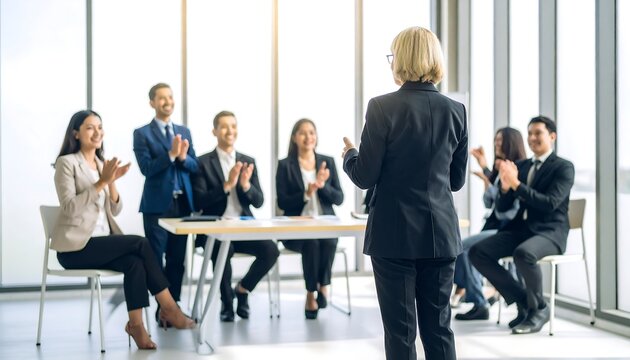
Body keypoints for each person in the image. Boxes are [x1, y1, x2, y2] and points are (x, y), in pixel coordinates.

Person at [342, 27, 467, 360]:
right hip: (440, 235)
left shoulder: (382, 107)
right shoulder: (456, 111)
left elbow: (364, 176)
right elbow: (455, 182)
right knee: (439, 330)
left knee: (400, 333)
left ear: (402, 60)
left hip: (394, 236)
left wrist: (349, 155)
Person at [52, 110, 194, 350]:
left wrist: (112, 181)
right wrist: (101, 183)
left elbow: (114, 210)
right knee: (141, 243)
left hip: (101, 243)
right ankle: (170, 307)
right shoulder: (66, 163)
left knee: (134, 263)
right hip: (75, 248)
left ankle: (136, 326)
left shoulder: (100, 164)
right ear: (76, 133)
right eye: (90, 127)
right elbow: (68, 209)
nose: (97, 132)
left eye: (100, 127)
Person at [469, 116, 575, 334]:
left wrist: (516, 184)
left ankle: (539, 309)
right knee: (478, 252)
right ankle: (525, 301)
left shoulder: (563, 167)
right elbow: (504, 203)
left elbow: (549, 204)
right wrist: (507, 188)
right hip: (522, 230)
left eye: (538, 133)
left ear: (552, 136)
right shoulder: (522, 166)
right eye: (529, 133)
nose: (532, 138)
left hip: (550, 233)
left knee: (523, 254)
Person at [192, 111, 279, 322]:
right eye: (224, 126)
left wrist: (245, 185)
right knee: (223, 249)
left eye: (233, 125)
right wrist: (226, 186)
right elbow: (198, 201)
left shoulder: (248, 161)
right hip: (215, 229)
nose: (229, 130)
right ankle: (226, 302)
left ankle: (242, 289)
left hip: (243, 227)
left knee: (271, 250)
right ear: (214, 131)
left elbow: (259, 201)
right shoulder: (202, 162)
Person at [133, 83, 199, 324]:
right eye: (161, 98)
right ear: (152, 102)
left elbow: (194, 166)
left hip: (182, 205)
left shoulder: (184, 131)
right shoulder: (142, 133)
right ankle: (164, 308)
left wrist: (182, 157)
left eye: (170, 97)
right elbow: (146, 169)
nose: (167, 101)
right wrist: (170, 155)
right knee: (155, 258)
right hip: (156, 207)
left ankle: (175, 308)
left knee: (177, 260)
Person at [453, 127, 526, 321]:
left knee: (463, 248)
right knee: (461, 248)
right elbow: (488, 202)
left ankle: (479, 302)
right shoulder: (500, 169)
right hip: (495, 228)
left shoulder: (517, 170)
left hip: (505, 230)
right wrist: (488, 180)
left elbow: (507, 211)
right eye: (496, 140)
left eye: (501, 141)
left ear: (512, 143)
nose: (497, 144)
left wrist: (498, 185)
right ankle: (477, 299)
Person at [276, 118, 344, 320]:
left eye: (312, 132)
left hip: (325, 224)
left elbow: (339, 198)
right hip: (295, 230)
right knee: (312, 242)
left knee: (329, 240)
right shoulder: (285, 165)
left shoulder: (327, 161)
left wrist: (322, 186)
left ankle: (323, 286)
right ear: (294, 138)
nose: (308, 137)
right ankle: (311, 294)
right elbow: (283, 202)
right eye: (303, 133)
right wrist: (307, 193)